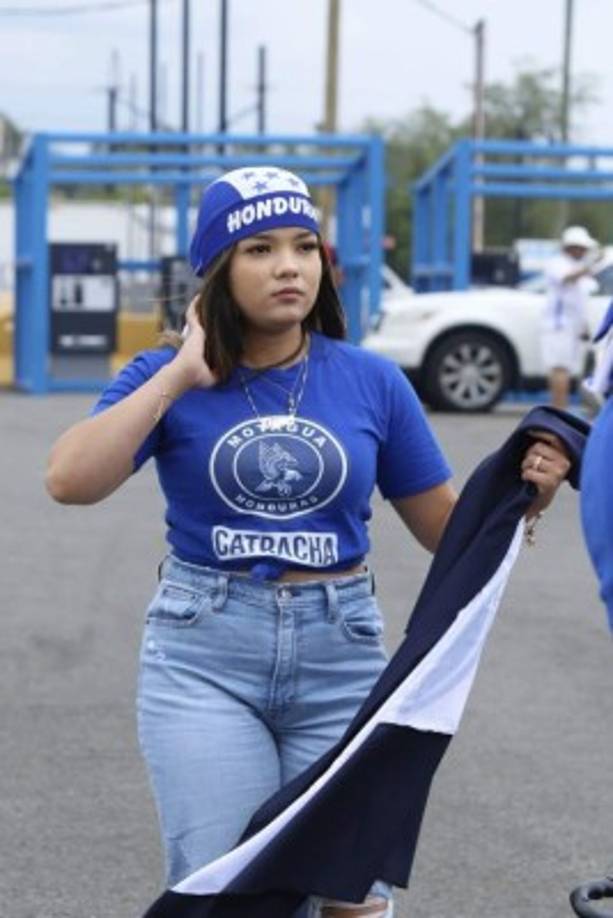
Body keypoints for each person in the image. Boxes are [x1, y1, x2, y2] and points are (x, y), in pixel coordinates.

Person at [46, 166, 571, 918]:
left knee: (353, 898)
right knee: (230, 889)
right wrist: (181, 374)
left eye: (302, 246)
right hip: (204, 658)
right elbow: (70, 480)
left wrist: (525, 498)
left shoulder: (370, 381)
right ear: (218, 269)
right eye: (259, 249)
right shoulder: (165, 375)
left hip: (341, 655)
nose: (288, 266)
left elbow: (444, 532)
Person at [541, 225, 603, 410]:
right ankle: (559, 410)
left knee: (566, 371)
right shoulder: (557, 263)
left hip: (572, 329)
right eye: (582, 248)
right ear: (572, 247)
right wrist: (589, 266)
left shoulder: (576, 266)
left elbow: (580, 300)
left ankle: (561, 410)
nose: (584, 252)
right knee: (560, 369)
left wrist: (583, 327)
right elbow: (566, 278)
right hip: (558, 327)